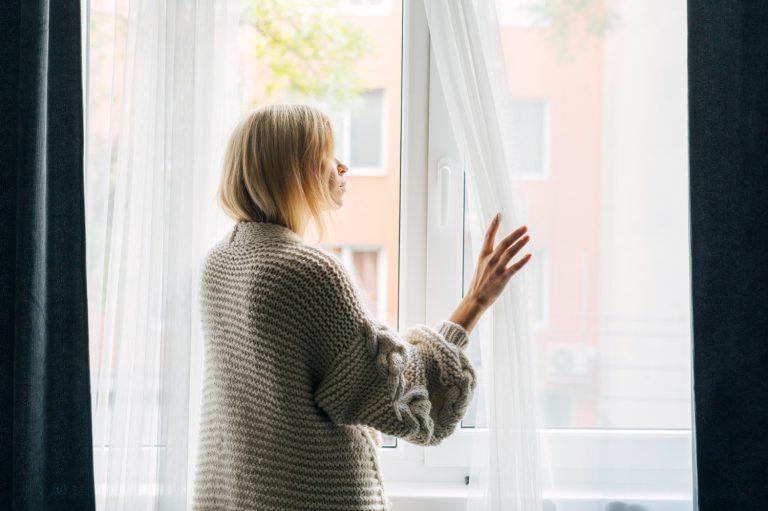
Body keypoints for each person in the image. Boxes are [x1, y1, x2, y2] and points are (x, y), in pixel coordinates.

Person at [191, 103, 532, 510]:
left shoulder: (220, 262)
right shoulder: (307, 271)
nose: (343, 167)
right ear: (292, 171)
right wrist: (475, 302)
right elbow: (401, 396)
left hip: (240, 495)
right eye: (327, 156)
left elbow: (346, 370)